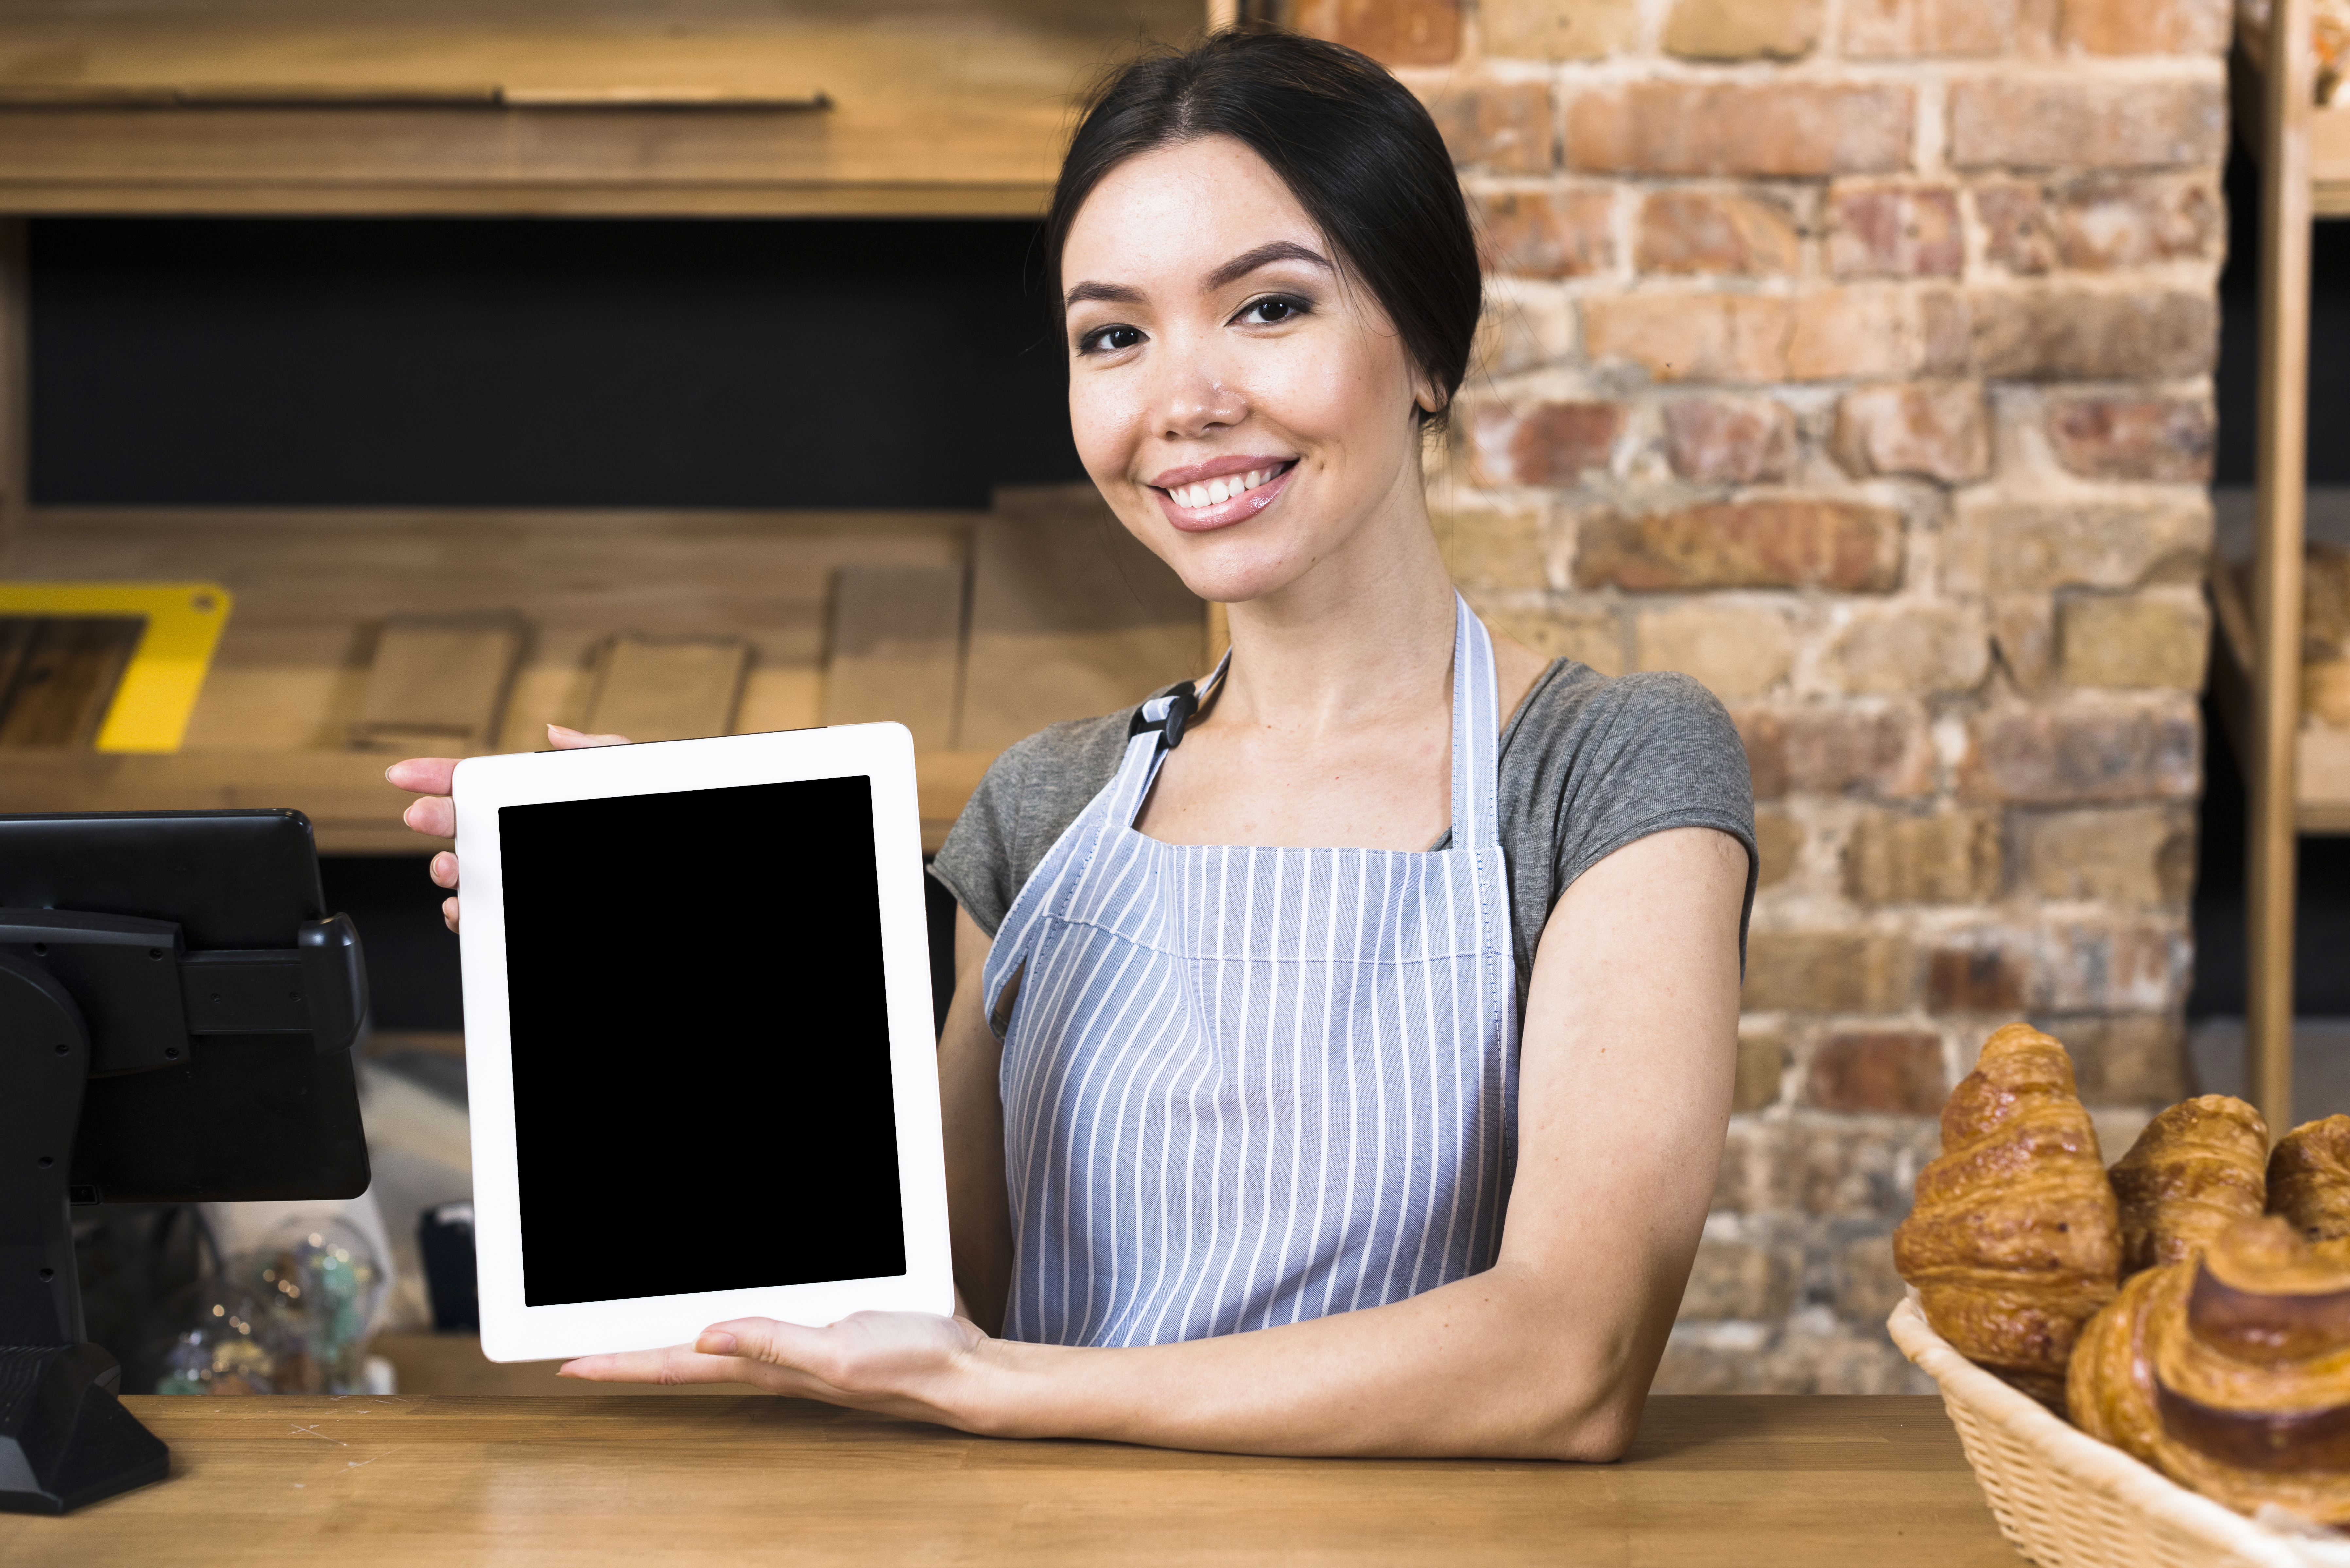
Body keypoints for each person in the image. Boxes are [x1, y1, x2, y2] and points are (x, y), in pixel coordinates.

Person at [388, 28, 1755, 1461]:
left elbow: (1569, 1356)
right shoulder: (1049, 801)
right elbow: (930, 1303)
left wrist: (1002, 1390)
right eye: (1113, 335)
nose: (1182, 401)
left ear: (1423, 343)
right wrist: (705, 964)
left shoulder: (1605, 769)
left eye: (1268, 308)